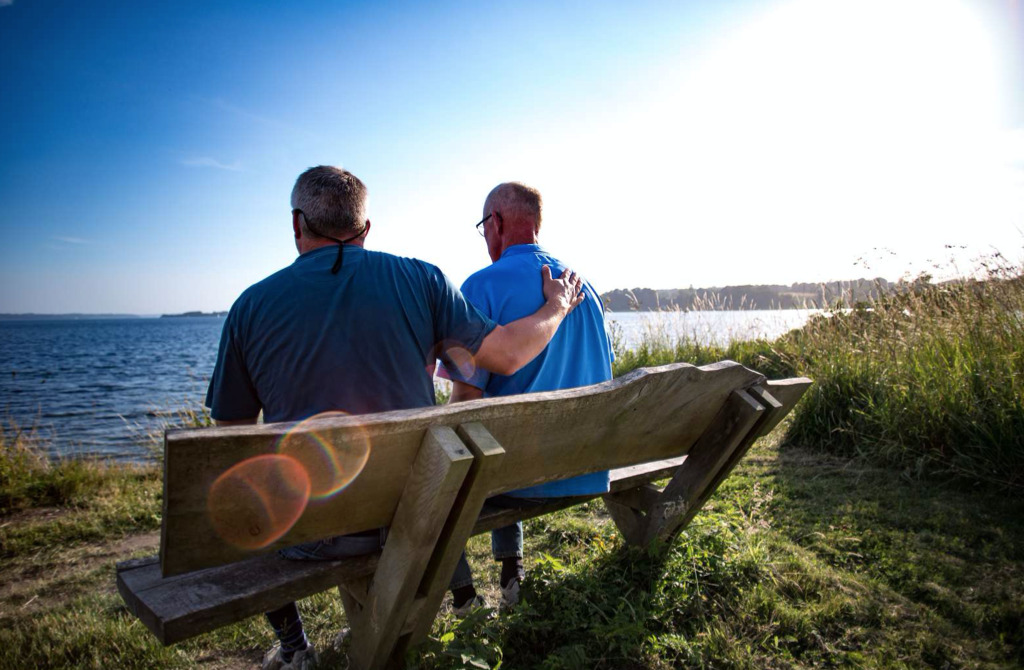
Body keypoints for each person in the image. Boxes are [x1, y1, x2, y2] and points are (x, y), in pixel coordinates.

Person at [205, 166, 585, 670]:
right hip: (412, 515)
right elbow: (510, 355)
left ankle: (296, 646)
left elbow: (229, 443)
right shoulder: (421, 280)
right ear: (365, 229)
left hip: (308, 536)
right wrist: (556, 306)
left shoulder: (250, 307)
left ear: (297, 225)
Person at [441, 182, 614, 613]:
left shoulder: (480, 287)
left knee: (449, 463)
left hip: (520, 473)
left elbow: (464, 399)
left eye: (484, 227)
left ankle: (464, 597)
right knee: (508, 435)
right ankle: (511, 572)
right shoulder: (583, 288)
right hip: (584, 466)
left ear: (496, 223)